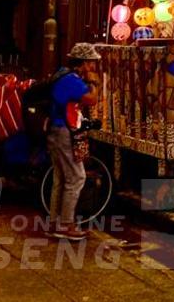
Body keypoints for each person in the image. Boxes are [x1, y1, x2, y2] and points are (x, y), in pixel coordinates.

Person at [47, 42, 99, 241]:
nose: (93, 67)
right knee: (77, 178)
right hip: (63, 132)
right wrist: (94, 83)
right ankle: (67, 225)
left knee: (60, 179)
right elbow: (91, 99)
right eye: (91, 63)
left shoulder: (62, 74)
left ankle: (54, 223)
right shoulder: (71, 80)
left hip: (56, 130)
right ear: (83, 63)